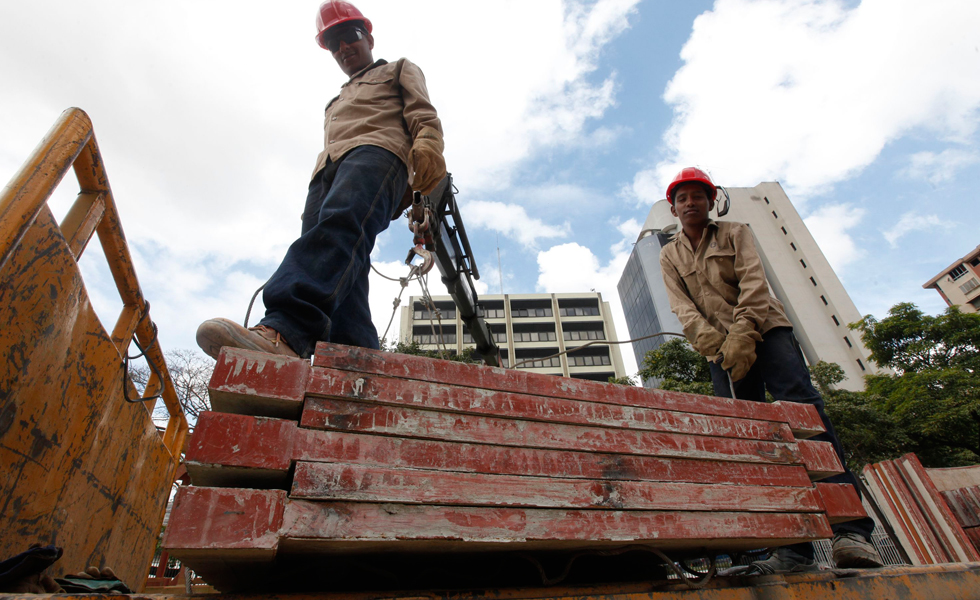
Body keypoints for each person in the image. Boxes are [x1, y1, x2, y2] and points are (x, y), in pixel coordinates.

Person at [658, 167, 882, 574]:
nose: (690, 203)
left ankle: (851, 533)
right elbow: (682, 308)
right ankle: (792, 548)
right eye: (682, 197)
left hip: (766, 330)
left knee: (805, 422)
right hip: (719, 349)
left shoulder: (736, 231)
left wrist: (744, 334)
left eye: (698, 195)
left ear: (712, 201)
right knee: (750, 440)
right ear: (673, 207)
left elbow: (754, 284)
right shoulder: (668, 254)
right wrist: (716, 345)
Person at [196, 0, 446, 360]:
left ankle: (286, 327)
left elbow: (423, 113)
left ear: (368, 36)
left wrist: (427, 147)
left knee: (339, 228)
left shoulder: (398, 69)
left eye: (349, 36)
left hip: (377, 152)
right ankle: (353, 358)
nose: (343, 48)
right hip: (327, 169)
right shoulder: (335, 100)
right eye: (333, 43)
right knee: (344, 259)